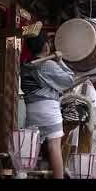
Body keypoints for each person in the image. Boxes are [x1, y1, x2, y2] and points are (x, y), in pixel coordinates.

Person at [21, 31, 74, 179]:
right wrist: (60, 61)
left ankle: (25, 175)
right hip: (48, 110)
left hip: (31, 110)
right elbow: (69, 80)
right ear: (45, 46)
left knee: (32, 148)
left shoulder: (25, 66)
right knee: (54, 148)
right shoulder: (48, 64)